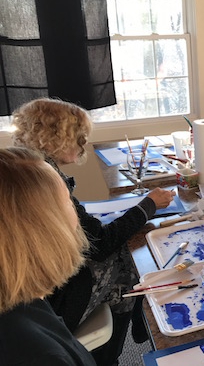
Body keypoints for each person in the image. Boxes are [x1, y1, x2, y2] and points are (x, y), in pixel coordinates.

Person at [11, 98, 175, 365]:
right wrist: (148, 206)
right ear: (54, 137)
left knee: (124, 263)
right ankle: (120, 346)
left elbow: (82, 230)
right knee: (128, 261)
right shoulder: (43, 178)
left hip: (29, 293)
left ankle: (118, 345)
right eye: (79, 138)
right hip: (49, 298)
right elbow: (100, 244)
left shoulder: (22, 164)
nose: (83, 145)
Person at [0, 147, 95, 365]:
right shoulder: (42, 356)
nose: (77, 212)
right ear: (42, 228)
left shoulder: (26, 305)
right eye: (68, 201)